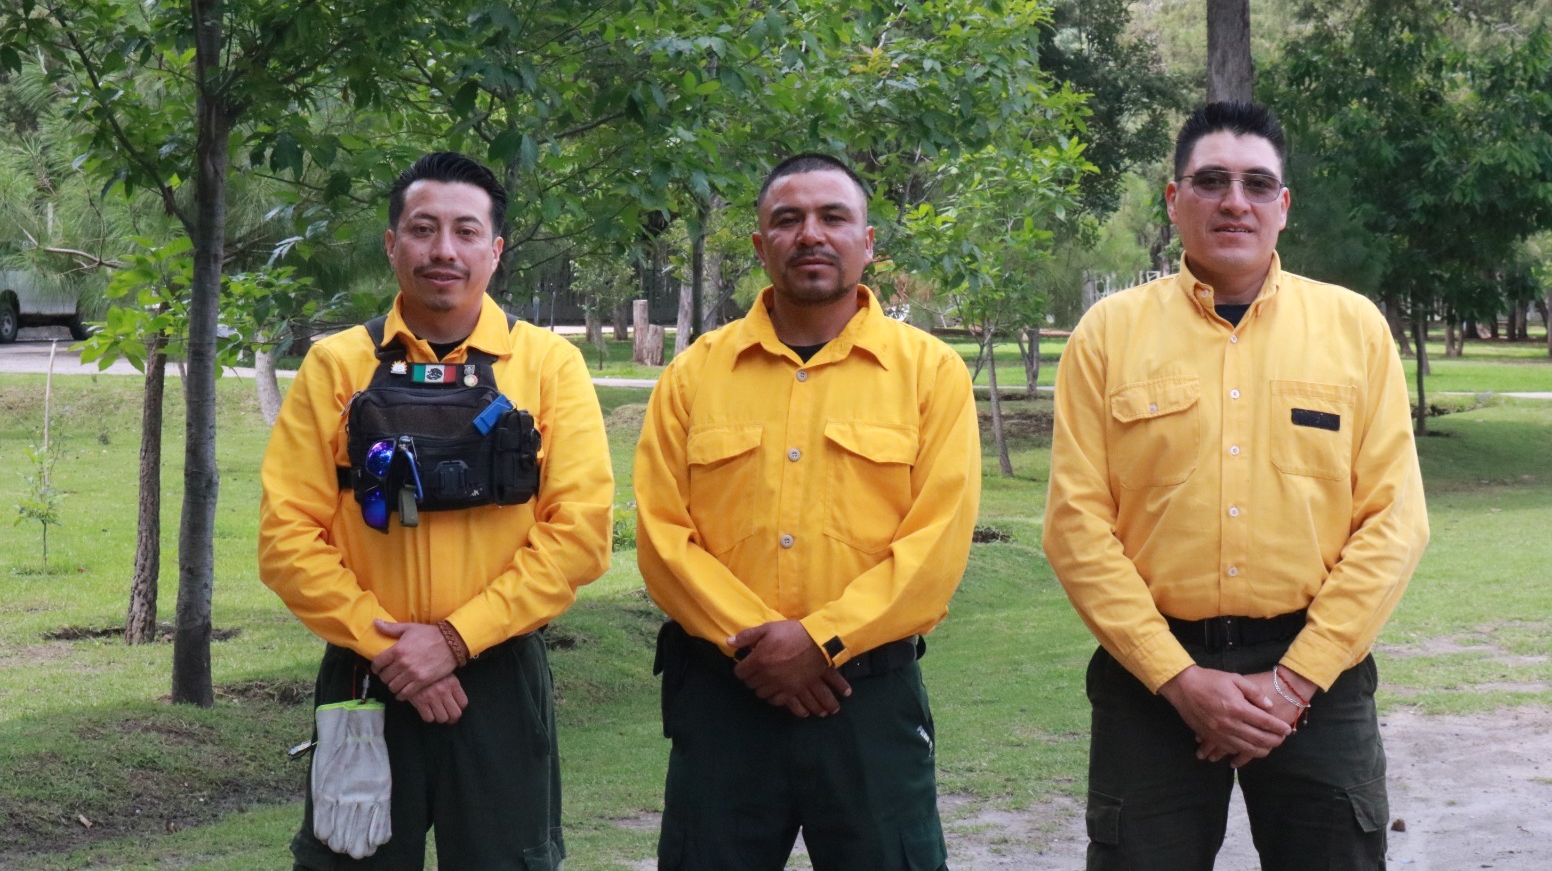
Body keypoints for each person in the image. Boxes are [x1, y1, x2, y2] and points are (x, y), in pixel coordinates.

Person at [1042, 101, 1430, 871]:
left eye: (1256, 184)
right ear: (1173, 199)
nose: (1234, 201)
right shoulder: (1107, 337)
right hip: (1152, 681)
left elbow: (1394, 522)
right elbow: (1075, 528)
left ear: (1283, 205)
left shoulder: (1354, 330)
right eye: (1211, 181)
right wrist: (1179, 679)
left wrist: (1295, 682)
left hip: (1317, 678)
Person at [260, 151, 613, 871]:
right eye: (423, 230)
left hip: (498, 675)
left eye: (465, 231)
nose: (443, 250)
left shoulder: (547, 366)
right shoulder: (336, 366)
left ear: (496, 249)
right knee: (348, 858)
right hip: (367, 673)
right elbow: (286, 537)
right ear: (392, 244)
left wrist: (454, 641)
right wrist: (389, 647)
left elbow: (579, 535)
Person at [634, 153, 981, 870]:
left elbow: (936, 547)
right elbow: (663, 538)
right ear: (760, 245)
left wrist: (822, 640)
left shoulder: (929, 374)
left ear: (868, 242)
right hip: (724, 699)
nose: (810, 234)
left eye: (833, 217)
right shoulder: (695, 374)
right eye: (787, 220)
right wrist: (764, 648)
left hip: (868, 702)